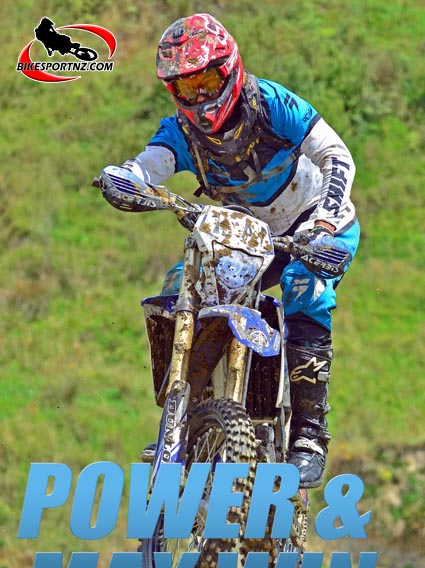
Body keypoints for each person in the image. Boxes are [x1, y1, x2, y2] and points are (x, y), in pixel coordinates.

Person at [100, 13, 360, 488]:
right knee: (181, 283)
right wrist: (125, 179)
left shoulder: (271, 104)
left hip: (316, 222)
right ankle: (187, 411)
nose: (200, 97)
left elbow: (335, 154)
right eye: (186, 87)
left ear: (231, 69)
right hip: (247, 235)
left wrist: (323, 223)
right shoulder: (180, 132)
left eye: (207, 81)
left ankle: (308, 435)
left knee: (306, 287)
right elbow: (148, 165)